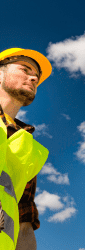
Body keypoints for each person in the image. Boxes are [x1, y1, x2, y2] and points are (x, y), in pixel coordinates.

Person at [0, 48, 52, 250]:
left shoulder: (27, 148)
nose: (33, 78)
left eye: (36, 77)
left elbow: (24, 225)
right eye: (25, 69)